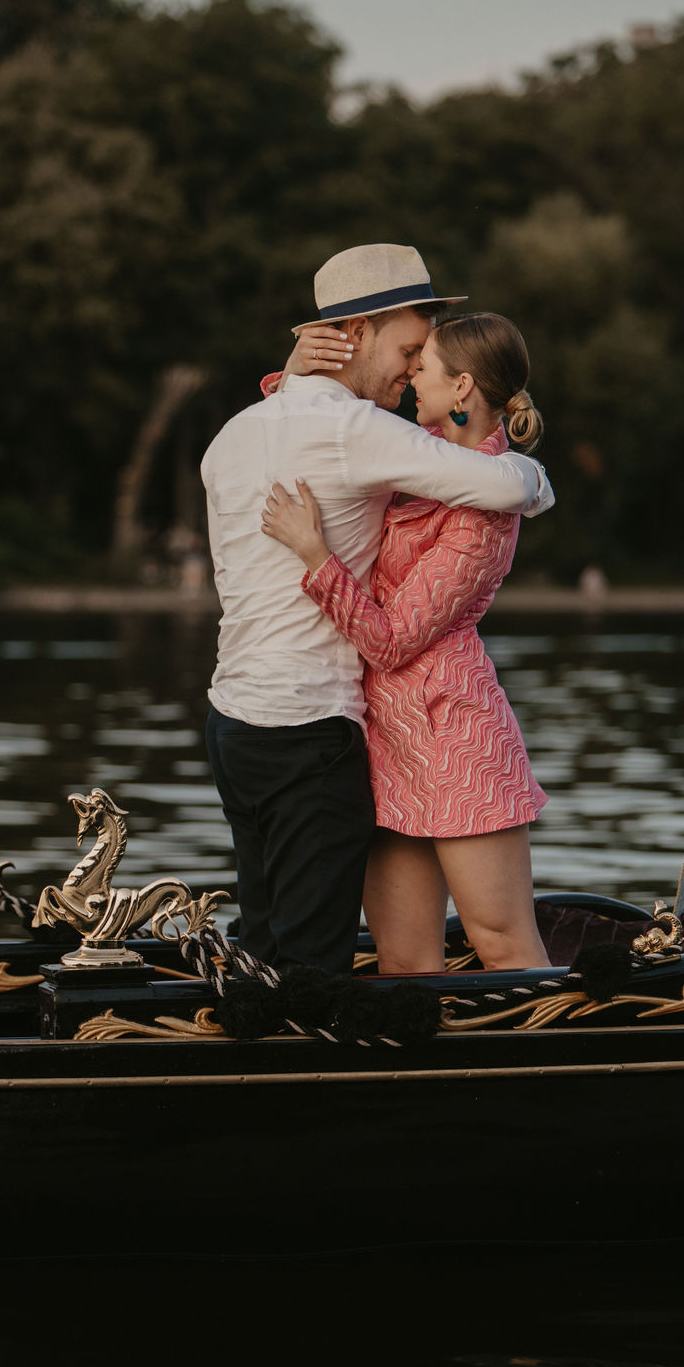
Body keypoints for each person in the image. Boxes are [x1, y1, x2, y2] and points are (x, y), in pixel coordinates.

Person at [201, 245, 554, 976]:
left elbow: (496, 494)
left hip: (414, 729)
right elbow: (318, 422)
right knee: (370, 960)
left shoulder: (244, 437)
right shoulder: (376, 438)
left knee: (486, 939)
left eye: (423, 359)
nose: (409, 369)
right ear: (355, 335)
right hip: (353, 733)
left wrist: (316, 555)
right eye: (407, 350)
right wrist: (299, 375)